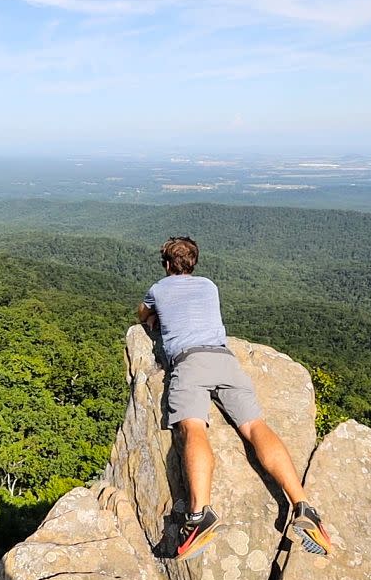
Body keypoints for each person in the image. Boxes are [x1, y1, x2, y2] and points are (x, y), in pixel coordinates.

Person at [137, 236, 332, 561]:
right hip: (225, 360)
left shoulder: (159, 288)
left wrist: (153, 318)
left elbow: (142, 314)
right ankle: (303, 505)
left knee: (193, 427)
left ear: (168, 264)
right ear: (194, 263)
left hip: (190, 361)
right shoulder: (209, 286)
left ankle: (199, 517)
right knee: (255, 426)